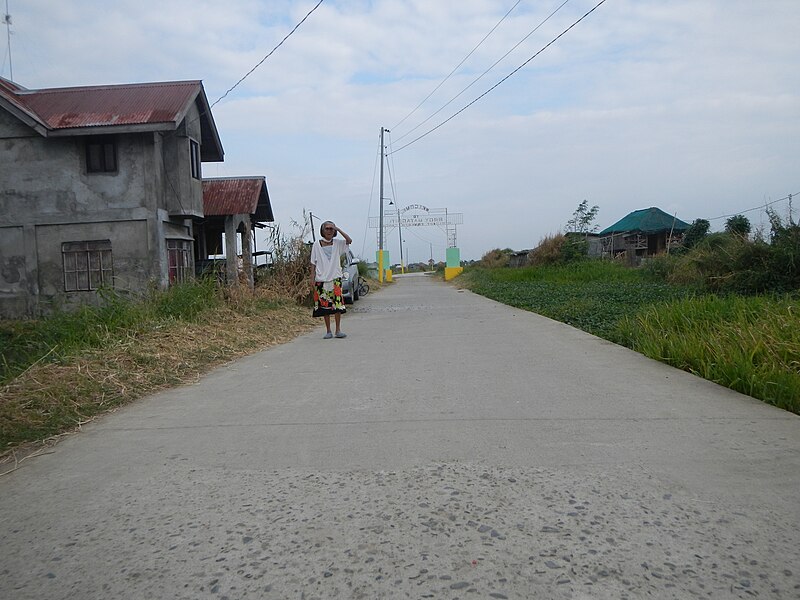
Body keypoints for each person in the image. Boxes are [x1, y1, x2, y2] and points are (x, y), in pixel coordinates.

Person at [310, 221, 353, 339]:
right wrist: (312, 277)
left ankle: (338, 330)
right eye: (327, 228)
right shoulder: (316, 245)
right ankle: (328, 330)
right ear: (322, 230)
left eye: (331, 229)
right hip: (321, 279)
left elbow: (349, 240)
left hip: (335, 278)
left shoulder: (338, 244)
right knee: (325, 306)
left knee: (337, 306)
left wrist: (338, 229)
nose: (329, 231)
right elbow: (313, 263)